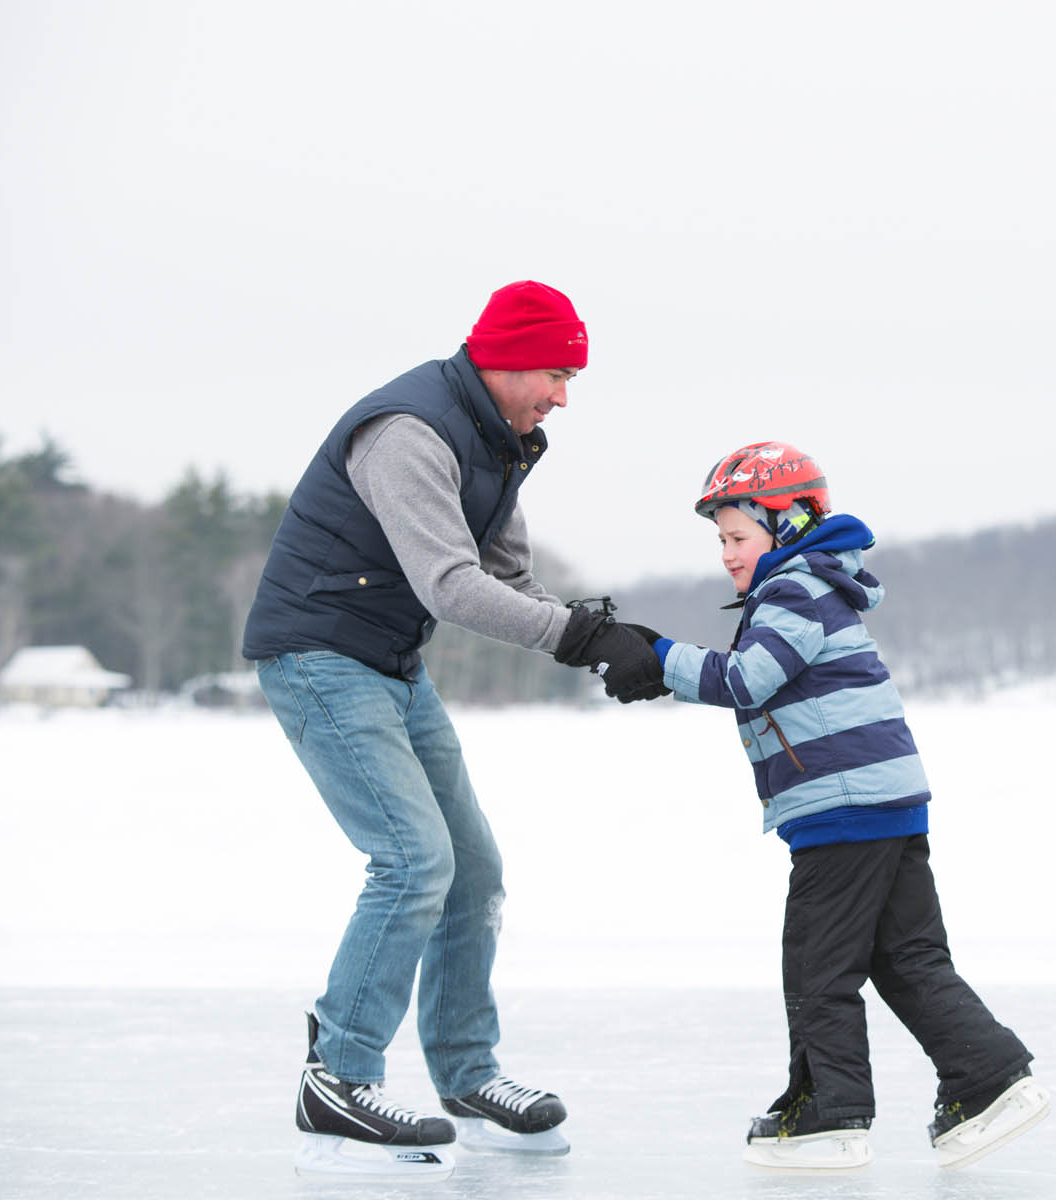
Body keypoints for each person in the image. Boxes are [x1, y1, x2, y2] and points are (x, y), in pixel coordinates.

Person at [241, 280, 666, 1180]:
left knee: (472, 871)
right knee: (412, 860)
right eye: (555, 372)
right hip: (318, 655)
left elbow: (509, 575)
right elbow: (453, 586)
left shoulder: (497, 442)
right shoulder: (408, 433)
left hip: (388, 663)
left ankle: (467, 1075)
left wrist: (605, 642)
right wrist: (577, 636)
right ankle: (339, 1079)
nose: (563, 395)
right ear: (503, 358)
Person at [631, 441, 1050, 1172]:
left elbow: (748, 679)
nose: (727, 554)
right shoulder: (817, 585)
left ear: (788, 524)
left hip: (845, 811)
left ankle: (830, 1112)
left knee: (819, 966)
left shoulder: (795, 591)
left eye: (737, 536)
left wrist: (658, 657)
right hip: (884, 802)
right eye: (721, 541)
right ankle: (987, 1081)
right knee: (907, 956)